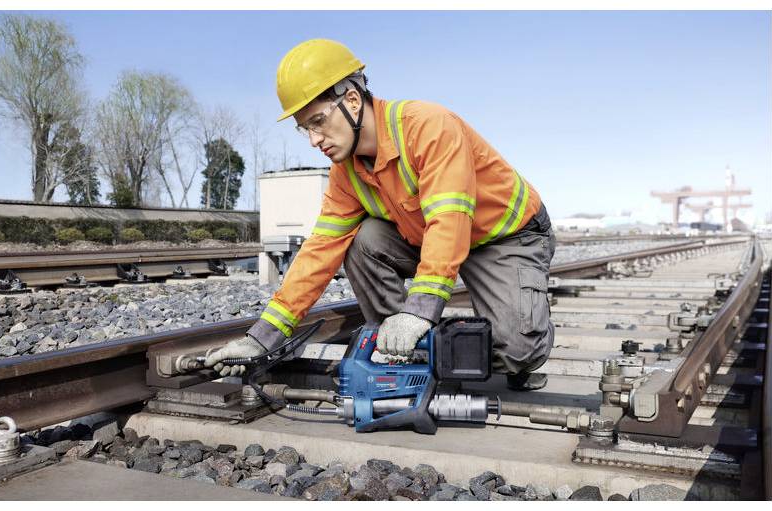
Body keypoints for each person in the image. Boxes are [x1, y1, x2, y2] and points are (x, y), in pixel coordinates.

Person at [206, 38, 555, 391]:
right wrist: (263, 336)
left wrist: (420, 308)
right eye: (305, 128)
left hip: (505, 236)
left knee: (517, 352)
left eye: (319, 121)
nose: (314, 140)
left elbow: (448, 221)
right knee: (362, 240)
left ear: (353, 100)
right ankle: (406, 349)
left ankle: (524, 317)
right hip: (427, 238)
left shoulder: (428, 127)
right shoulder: (346, 173)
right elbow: (320, 249)